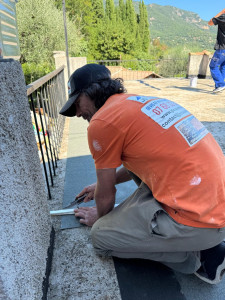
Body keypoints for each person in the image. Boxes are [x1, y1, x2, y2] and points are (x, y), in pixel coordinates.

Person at [60, 63, 225, 284]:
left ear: (92, 92)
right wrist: (98, 185)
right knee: (135, 168)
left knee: (101, 237)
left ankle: (200, 257)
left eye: (78, 104)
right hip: (213, 203)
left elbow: (106, 195)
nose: (78, 113)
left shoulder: (101, 122)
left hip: (202, 222)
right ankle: (191, 237)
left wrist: (100, 217)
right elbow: (143, 159)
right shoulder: (136, 102)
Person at [208, 9, 225, 93]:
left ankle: (221, 84)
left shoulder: (223, 17)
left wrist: (222, 12)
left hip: (222, 48)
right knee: (223, 66)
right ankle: (219, 86)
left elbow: (210, 22)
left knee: (213, 66)